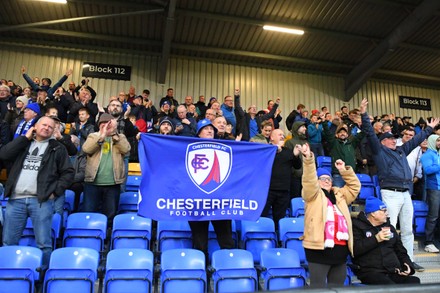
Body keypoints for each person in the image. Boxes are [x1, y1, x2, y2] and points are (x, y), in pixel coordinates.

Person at [360, 98, 439, 272]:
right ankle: (390, 261)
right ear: (382, 142)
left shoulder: (402, 150)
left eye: (394, 138)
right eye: (390, 139)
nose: (394, 140)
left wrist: (429, 129)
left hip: (405, 194)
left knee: (407, 230)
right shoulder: (379, 151)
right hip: (390, 193)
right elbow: (370, 133)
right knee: (389, 228)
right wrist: (365, 114)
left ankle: (409, 261)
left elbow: (416, 139)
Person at [0, 116, 74, 268]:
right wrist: (24, 138)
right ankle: (9, 274)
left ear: (54, 130)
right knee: (8, 242)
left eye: (50, 127)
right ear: (35, 126)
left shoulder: (57, 148)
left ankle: (42, 279)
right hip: (16, 200)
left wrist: (54, 192)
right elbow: (4, 154)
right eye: (44, 125)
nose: (46, 128)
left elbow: (68, 172)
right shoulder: (23, 144)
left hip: (41, 201)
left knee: (44, 244)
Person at [301, 143, 360, 288]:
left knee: (337, 288)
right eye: (322, 179)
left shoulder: (340, 194)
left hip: (340, 251)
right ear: (317, 181)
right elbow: (308, 180)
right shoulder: (312, 195)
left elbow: (355, 187)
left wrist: (344, 171)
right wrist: (308, 159)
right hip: (318, 250)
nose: (327, 181)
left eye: (329, 178)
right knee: (318, 288)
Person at [188, 119, 235, 264]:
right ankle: (202, 270)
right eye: (205, 129)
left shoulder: (227, 146)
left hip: (220, 202)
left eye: (211, 129)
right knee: (200, 242)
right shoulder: (188, 147)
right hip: (197, 202)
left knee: (226, 240)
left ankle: (228, 269)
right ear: (198, 133)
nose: (209, 131)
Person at [352, 197, 420, 285]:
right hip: (371, 272)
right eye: (383, 211)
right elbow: (355, 250)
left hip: (392, 271)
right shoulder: (357, 226)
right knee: (391, 287)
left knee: (414, 282)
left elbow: (401, 251)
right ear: (373, 213)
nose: (387, 214)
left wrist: (407, 265)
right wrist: (376, 239)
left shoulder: (389, 227)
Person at [82, 113, 131, 226]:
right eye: (103, 123)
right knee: (89, 213)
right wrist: (102, 136)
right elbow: (86, 149)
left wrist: (114, 134)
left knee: (110, 215)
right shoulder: (93, 136)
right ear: (99, 125)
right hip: (92, 182)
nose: (106, 126)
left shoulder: (120, 137)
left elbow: (126, 150)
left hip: (113, 182)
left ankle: (106, 239)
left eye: (109, 123)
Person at [261, 129, 301, 228]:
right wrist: (274, 151)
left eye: (283, 135)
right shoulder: (266, 150)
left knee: (279, 219)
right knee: (262, 216)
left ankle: (278, 240)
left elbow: (297, 166)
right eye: (279, 135)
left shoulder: (288, 151)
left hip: (284, 191)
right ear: (272, 137)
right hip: (268, 190)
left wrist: (296, 156)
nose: (282, 136)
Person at [420, 134, 440, 253]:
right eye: (438, 141)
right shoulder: (427, 155)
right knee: (433, 216)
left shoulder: (437, 154)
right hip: (434, 188)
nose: (439, 143)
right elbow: (428, 170)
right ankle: (428, 242)